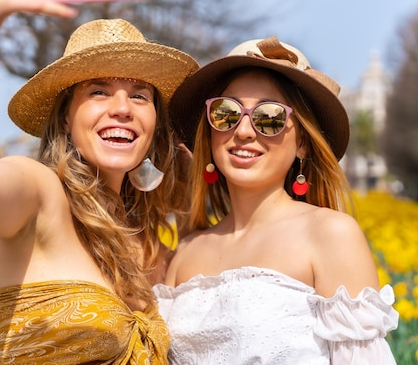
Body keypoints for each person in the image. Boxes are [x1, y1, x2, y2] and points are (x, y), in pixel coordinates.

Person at [0, 0, 198, 363]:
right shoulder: (40, 193)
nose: (122, 107)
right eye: (99, 91)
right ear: (67, 118)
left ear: (155, 123)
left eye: (139, 95)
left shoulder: (154, 243)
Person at [155, 36, 399, 364]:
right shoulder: (184, 253)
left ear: (302, 144)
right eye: (226, 113)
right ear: (210, 132)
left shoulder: (329, 235)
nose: (243, 131)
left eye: (269, 117)